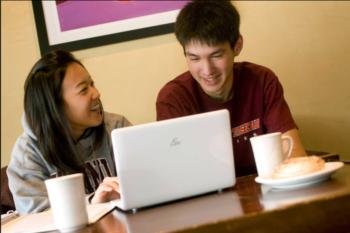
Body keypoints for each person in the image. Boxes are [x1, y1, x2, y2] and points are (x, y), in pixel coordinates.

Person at [156, 1, 307, 177]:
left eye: (216, 55)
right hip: (208, 200)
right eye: (194, 58)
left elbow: (294, 156)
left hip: (268, 190)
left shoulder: (262, 80)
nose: (207, 71)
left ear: (237, 46)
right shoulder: (173, 99)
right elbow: (176, 175)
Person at [7, 50, 131, 215]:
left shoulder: (116, 127)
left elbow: (149, 182)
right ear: (54, 106)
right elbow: (36, 216)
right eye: (84, 90)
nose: (96, 93)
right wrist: (92, 204)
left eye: (92, 84)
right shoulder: (28, 154)